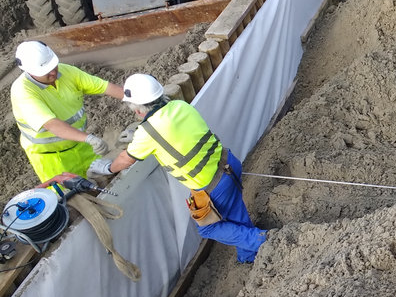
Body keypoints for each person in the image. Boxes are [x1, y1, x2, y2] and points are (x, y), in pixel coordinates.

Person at [93, 73, 267, 263]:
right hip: (228, 163)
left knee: (207, 228)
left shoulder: (147, 132)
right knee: (235, 212)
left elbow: (126, 159)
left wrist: (108, 169)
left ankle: (262, 241)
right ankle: (248, 256)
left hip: (211, 185)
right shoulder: (180, 106)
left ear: (137, 110)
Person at [10, 40, 124, 182]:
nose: (53, 72)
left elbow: (104, 87)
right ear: (29, 71)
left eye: (53, 66)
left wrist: (138, 99)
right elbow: (52, 125)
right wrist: (89, 138)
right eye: (45, 71)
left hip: (80, 145)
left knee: (106, 180)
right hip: (52, 158)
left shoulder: (66, 71)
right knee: (71, 198)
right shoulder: (23, 91)